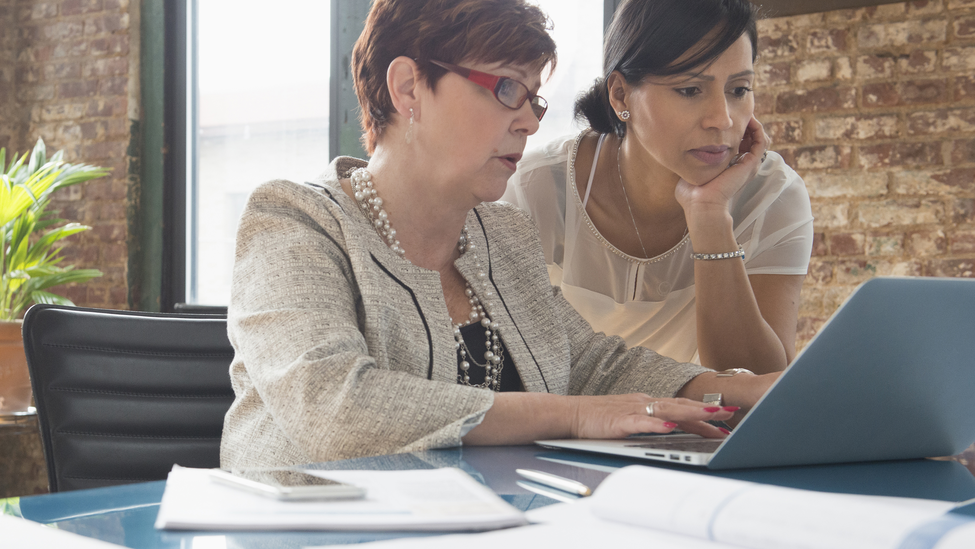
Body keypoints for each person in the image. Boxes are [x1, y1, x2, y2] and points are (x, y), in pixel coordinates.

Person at [220, 0, 778, 469]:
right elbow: (332, 407)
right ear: (409, 87)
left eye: (534, 98)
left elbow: (591, 365)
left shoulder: (502, 236)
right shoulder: (295, 222)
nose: (531, 122)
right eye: (506, 88)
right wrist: (576, 415)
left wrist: (745, 390)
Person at [503, 0, 814, 374]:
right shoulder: (536, 190)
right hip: (566, 426)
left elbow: (760, 389)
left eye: (739, 89)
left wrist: (709, 216)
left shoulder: (773, 197)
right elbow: (508, 368)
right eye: (689, 90)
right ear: (620, 95)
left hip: (708, 430)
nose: (722, 119)